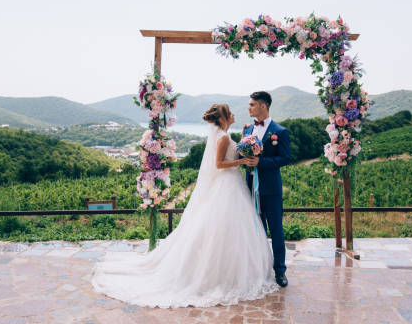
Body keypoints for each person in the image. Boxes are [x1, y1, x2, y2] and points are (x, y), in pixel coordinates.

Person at [91, 104, 278, 308]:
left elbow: (226, 155)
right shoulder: (223, 137)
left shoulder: (223, 134)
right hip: (228, 184)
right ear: (223, 118)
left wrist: (243, 140)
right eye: (230, 113)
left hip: (231, 184)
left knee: (227, 229)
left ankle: (223, 272)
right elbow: (219, 164)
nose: (233, 114)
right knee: (227, 227)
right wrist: (241, 162)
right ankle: (224, 276)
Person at [242, 91, 291, 287]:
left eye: (252, 104)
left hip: (271, 189)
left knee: (276, 231)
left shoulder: (280, 132)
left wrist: (260, 162)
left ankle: (280, 271)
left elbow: (285, 158)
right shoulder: (247, 132)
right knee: (256, 231)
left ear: (263, 106)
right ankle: (258, 269)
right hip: (249, 188)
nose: (249, 107)